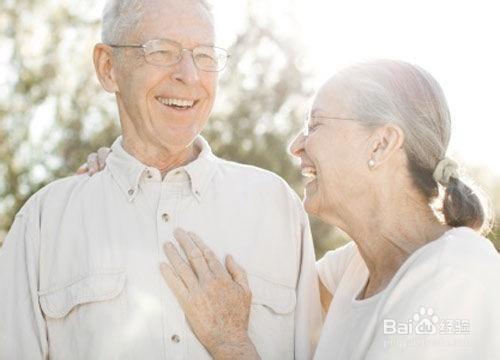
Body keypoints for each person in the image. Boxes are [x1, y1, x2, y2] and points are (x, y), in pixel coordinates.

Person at [0, 0, 322, 358]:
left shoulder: (277, 208)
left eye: (204, 55)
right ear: (108, 68)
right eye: (162, 51)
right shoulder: (44, 224)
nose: (189, 74)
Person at [157, 60, 500, 359]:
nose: (296, 145)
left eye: (315, 124)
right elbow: (267, 298)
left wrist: (229, 345)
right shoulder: (353, 269)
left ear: (380, 144)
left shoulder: (455, 275)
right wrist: (116, 172)